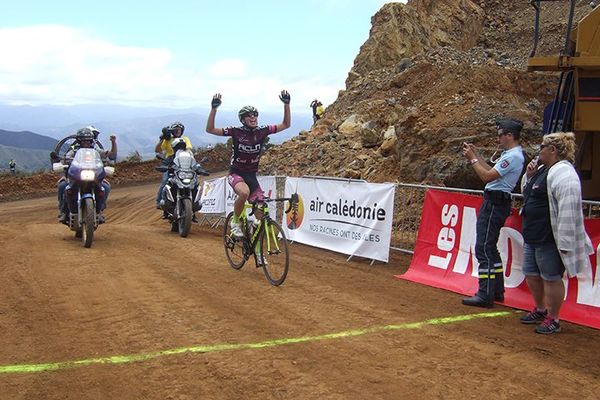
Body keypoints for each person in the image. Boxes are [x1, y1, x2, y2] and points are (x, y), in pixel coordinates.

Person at [519, 132, 594, 334]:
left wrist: (564, 240)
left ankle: (554, 318)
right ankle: (541, 309)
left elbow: (569, 207)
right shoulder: (543, 169)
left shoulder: (564, 173)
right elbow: (527, 194)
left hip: (549, 237)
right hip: (533, 234)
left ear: (552, 150)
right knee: (531, 273)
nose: (539, 151)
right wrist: (529, 176)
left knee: (551, 277)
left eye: (542, 147)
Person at [205, 90, 291, 263]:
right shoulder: (236, 131)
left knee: (262, 219)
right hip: (236, 173)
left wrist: (286, 104)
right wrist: (214, 109)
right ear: (243, 119)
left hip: (252, 176)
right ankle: (236, 222)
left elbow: (286, 125)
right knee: (243, 193)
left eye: (255, 115)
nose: (253, 117)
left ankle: (258, 254)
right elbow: (210, 129)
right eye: (249, 115)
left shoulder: (262, 131)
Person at [461, 118, 525, 307]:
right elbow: (491, 171)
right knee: (490, 247)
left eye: (500, 135)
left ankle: (485, 293)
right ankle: (496, 290)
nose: (498, 140)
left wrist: (472, 159)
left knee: (484, 247)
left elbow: (486, 176)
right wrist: (477, 155)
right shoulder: (511, 155)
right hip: (496, 201)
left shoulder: (513, 156)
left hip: (495, 202)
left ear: (509, 135)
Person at [57, 127, 117, 223]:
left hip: (93, 176)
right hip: (76, 177)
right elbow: (65, 160)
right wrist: (63, 169)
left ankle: (99, 211)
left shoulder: (96, 150)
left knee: (105, 187)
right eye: (84, 141)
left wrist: (113, 142)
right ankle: (64, 212)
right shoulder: (73, 151)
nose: (86, 143)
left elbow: (111, 155)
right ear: (79, 141)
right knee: (63, 186)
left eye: (88, 141)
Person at [155, 121, 192, 209]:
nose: (177, 131)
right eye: (176, 130)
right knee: (165, 181)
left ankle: (194, 201)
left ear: (182, 131)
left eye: (179, 130)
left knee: (193, 180)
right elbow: (157, 150)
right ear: (172, 131)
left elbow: (189, 150)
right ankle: (160, 201)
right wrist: (162, 139)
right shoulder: (168, 140)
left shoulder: (185, 139)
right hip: (170, 163)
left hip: (182, 162)